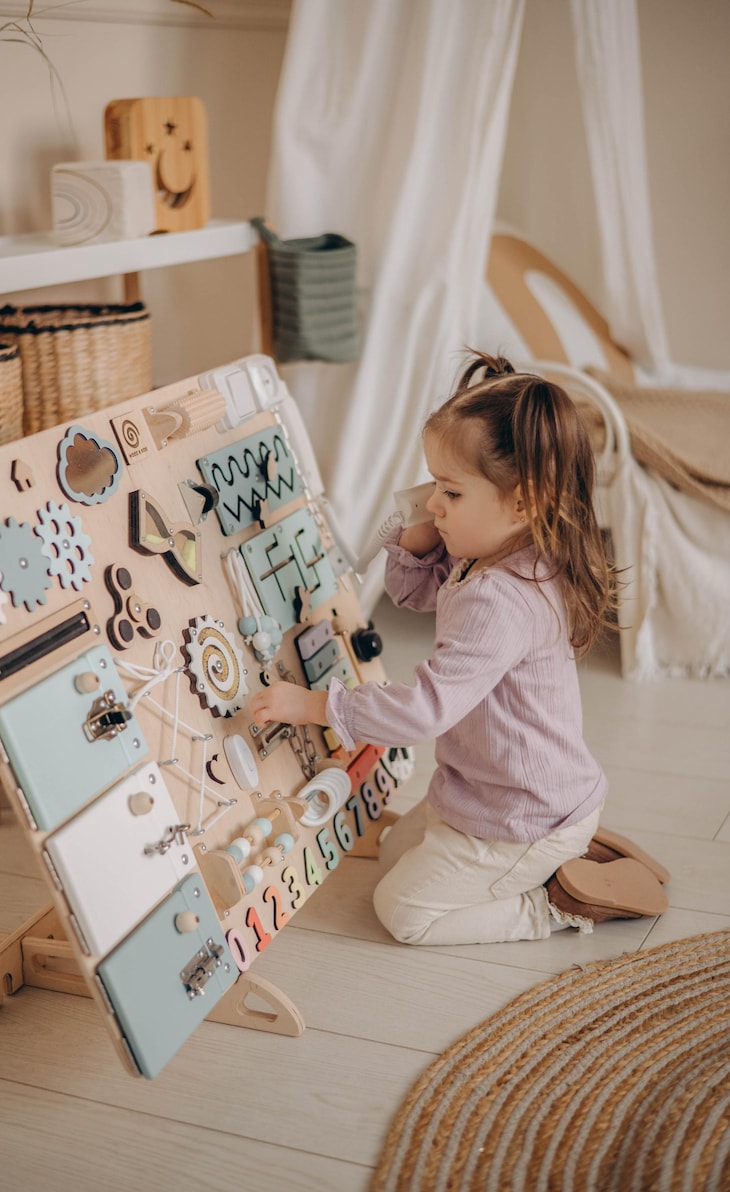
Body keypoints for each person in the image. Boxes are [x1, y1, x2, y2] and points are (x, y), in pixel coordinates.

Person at [250, 351, 669, 945]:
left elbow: (423, 711)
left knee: (402, 912)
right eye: (434, 487)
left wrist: (318, 706)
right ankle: (571, 842)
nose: (435, 504)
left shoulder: (501, 598)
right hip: (485, 791)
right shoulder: (500, 547)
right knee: (396, 850)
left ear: (523, 501)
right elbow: (413, 592)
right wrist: (424, 531)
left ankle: (553, 900)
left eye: (449, 491)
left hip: (520, 817)